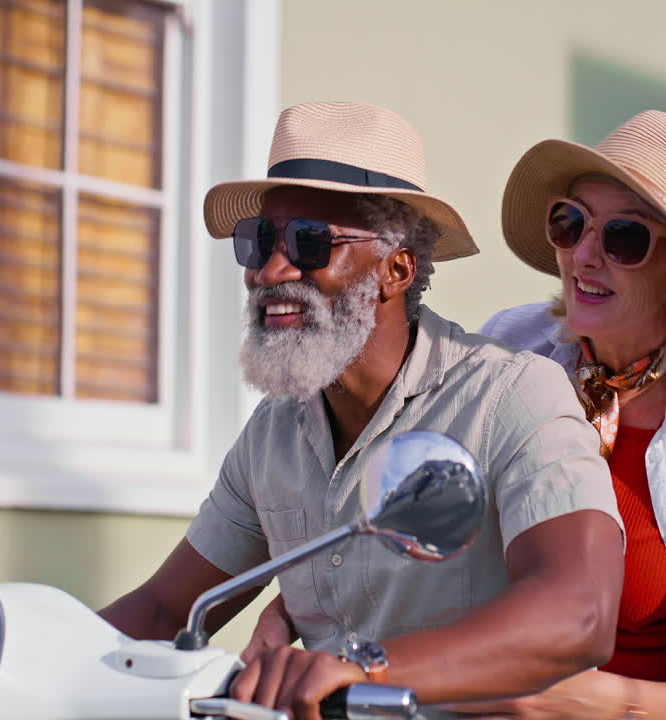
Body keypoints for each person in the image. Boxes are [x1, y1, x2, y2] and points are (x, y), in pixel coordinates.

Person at [98, 101, 625, 720]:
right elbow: (164, 610)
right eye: (259, 240)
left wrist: (364, 667)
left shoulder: (513, 395)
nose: (270, 269)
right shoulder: (273, 434)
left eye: (310, 242)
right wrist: (8, 649)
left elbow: (579, 614)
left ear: (395, 269)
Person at [469, 110, 666, 719]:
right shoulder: (509, 347)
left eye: (624, 237)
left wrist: (581, 704)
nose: (585, 255)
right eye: (572, 222)